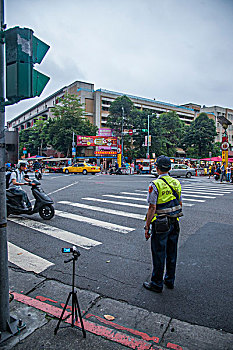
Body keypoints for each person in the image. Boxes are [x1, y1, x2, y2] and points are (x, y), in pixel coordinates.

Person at [143, 155, 183, 293]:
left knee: (159, 253)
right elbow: (180, 203)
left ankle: (156, 283)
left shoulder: (155, 184)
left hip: (161, 224)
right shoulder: (176, 183)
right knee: (172, 253)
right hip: (175, 222)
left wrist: (147, 227)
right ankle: (170, 280)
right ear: (170, 168)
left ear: (157, 168)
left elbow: (152, 208)